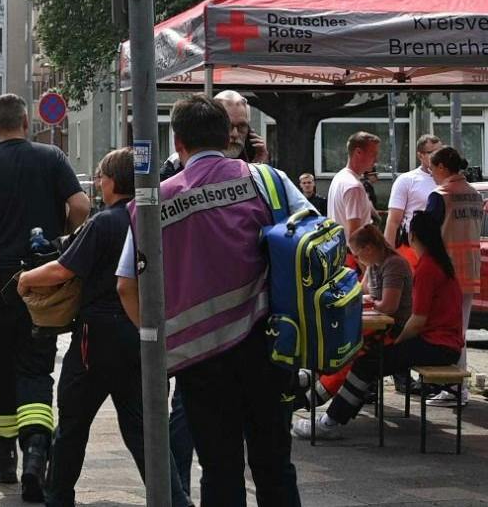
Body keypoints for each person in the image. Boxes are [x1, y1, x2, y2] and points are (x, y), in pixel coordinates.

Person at [116, 95, 301, 507]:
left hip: (198, 360)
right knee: (275, 466)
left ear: (178, 142)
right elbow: (312, 241)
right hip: (268, 348)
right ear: (229, 134)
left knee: (219, 469)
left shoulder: (154, 201)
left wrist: (161, 344)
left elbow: (126, 285)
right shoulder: (268, 180)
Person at [22, 148, 183, 507]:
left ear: (113, 182)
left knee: (73, 425)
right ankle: (175, 499)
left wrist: (25, 280)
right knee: (143, 428)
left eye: (101, 177)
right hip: (139, 332)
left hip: (96, 338)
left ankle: (58, 496)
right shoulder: (150, 218)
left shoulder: (103, 222)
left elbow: (62, 269)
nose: (97, 182)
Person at [0, 94, 89, 502]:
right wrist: (60, 237)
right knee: (36, 366)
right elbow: (81, 205)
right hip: (42, 275)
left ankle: (5, 460)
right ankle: (36, 455)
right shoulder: (51, 158)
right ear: (27, 123)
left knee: (0, 367)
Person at [295, 211, 464, 438]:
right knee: (365, 360)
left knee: (366, 363)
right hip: (443, 344)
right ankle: (321, 409)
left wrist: (397, 345)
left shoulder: (426, 268)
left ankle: (328, 421)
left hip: (435, 345)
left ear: (413, 236)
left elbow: (417, 320)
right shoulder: (439, 264)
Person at [298, 224, 409, 411]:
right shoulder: (373, 265)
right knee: (337, 341)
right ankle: (311, 377)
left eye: (357, 255)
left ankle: (313, 395)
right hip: (377, 327)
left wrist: (371, 302)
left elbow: (389, 306)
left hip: (392, 331)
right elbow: (360, 291)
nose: (356, 259)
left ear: (369, 248)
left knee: (349, 352)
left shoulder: (393, 265)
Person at [419, 145, 482, 408]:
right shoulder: (474, 195)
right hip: (469, 271)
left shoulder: (441, 195)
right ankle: (455, 388)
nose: (431, 174)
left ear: (442, 167)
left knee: (446, 332)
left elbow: (427, 233)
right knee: (460, 330)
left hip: (445, 273)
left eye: (432, 169)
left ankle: (454, 389)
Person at [386, 134, 442, 250]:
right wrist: (387, 255)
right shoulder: (406, 180)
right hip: (413, 246)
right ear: (420, 155)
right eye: (432, 153)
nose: (439, 156)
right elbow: (393, 221)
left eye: (441, 152)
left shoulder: (449, 180)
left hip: (442, 245)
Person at [327, 132, 379, 246]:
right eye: (373, 154)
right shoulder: (354, 187)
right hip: (352, 253)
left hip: (338, 249)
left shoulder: (339, 177)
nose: (376, 160)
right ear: (358, 152)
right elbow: (355, 236)